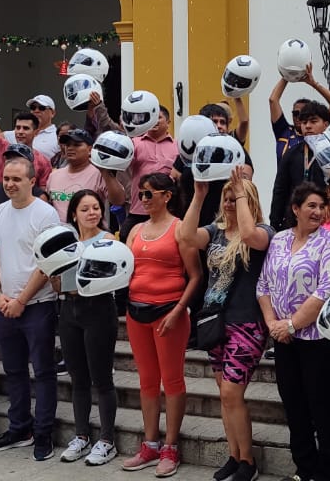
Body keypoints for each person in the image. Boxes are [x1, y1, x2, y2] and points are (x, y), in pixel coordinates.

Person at [177, 169, 274, 481]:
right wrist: (200, 195)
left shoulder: (263, 231)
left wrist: (242, 192)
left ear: (250, 200)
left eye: (236, 198)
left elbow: (247, 236)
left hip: (247, 323)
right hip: (214, 322)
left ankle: (249, 462)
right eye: (227, 198)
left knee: (232, 392)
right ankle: (234, 455)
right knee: (224, 393)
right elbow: (186, 236)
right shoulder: (215, 231)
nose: (230, 203)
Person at [256, 183, 330, 481]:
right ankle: (305, 470)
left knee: (321, 407)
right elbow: (264, 285)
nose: (318, 211)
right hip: (284, 338)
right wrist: (273, 325)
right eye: (312, 205)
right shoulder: (279, 239)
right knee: (294, 405)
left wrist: (292, 323)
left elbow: (326, 290)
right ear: (296, 209)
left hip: (320, 339)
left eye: (322, 206)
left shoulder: (329, 241)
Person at [121, 173, 202, 477]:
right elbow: (124, 269)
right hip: (136, 311)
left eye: (149, 194)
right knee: (147, 381)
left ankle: (171, 446)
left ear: (166, 196)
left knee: (172, 380)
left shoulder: (181, 229)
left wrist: (179, 310)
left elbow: (194, 276)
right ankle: (150, 443)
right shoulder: (136, 230)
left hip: (169, 312)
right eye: (141, 194)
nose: (143, 199)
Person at [0, 156, 61, 460]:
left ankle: (43, 433)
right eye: (6, 178)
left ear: (32, 181)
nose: (10, 184)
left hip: (37, 306)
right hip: (4, 306)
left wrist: (21, 300)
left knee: (42, 372)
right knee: (13, 371)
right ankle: (19, 428)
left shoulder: (46, 215)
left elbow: (46, 264)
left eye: (17, 179)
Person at [56, 189, 122, 466]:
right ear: (74, 213)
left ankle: (107, 440)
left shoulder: (107, 240)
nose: (92, 213)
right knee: (77, 377)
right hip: (68, 309)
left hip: (99, 309)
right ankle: (81, 435)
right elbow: (56, 281)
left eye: (96, 208)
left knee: (102, 378)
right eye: (85, 209)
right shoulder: (65, 241)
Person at [90, 97, 178, 243]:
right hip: (138, 210)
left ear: (168, 123)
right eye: (153, 118)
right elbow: (112, 134)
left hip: (169, 211)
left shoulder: (178, 147)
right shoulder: (132, 143)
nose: (156, 121)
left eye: (160, 118)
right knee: (126, 240)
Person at [171, 104, 256, 227]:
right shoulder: (190, 151)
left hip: (222, 219)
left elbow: (246, 179)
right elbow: (174, 177)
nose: (219, 126)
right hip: (190, 215)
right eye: (215, 122)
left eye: (222, 122)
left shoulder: (232, 150)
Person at [269, 101, 330, 230]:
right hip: (295, 222)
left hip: (327, 220)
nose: (308, 126)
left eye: (313, 121)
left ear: (326, 125)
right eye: (304, 123)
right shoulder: (291, 154)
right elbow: (280, 190)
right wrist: (274, 225)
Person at [46, 128, 125, 223]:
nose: (70, 148)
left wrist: (106, 173)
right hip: (61, 234)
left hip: (91, 233)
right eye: (67, 145)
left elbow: (119, 200)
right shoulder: (54, 176)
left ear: (90, 149)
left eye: (76, 145)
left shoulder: (99, 173)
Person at [270, 62, 330, 160]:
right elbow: (273, 100)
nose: (298, 117)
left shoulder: (321, 132)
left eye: (303, 115)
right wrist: (288, 75)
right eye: (295, 113)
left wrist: (314, 84)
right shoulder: (284, 131)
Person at [3, 94, 61, 160]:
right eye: (33, 108)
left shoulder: (58, 136)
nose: (36, 111)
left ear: (52, 113)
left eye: (41, 108)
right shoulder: (20, 132)